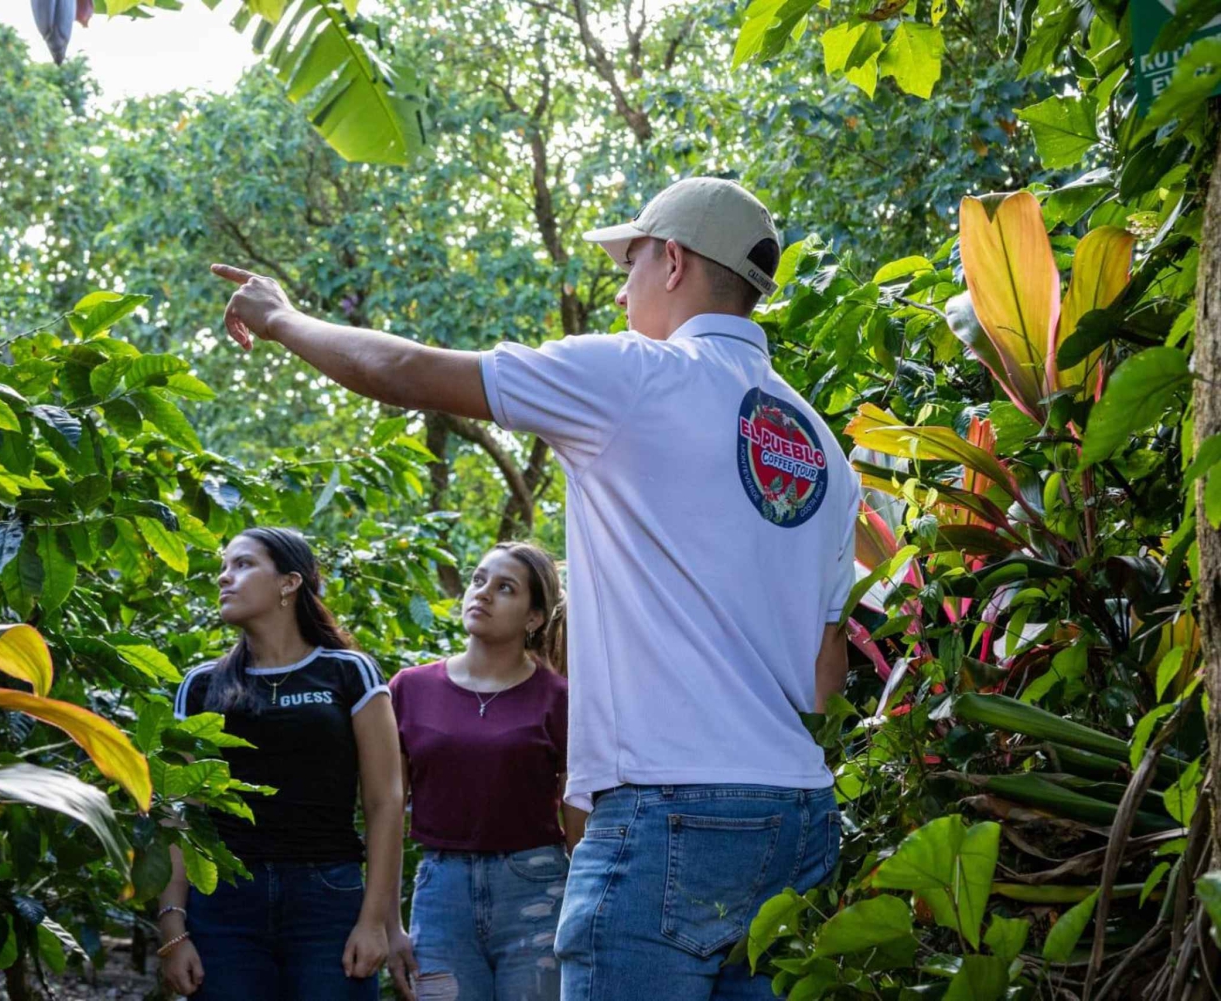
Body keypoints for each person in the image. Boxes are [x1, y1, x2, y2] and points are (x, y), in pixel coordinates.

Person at [211, 176, 859, 1000]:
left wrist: (280, 319)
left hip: (673, 812)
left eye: (627, 265)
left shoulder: (639, 376)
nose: (620, 290)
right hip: (798, 815)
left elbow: (407, 370)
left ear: (671, 260)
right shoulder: (819, 447)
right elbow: (823, 672)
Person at [155, 527, 404, 1001]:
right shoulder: (201, 685)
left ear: (290, 583)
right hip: (224, 904)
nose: (225, 578)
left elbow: (384, 800)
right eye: (223, 567)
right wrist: (173, 928)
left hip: (327, 898)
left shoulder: (349, 672)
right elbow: (174, 811)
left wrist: (375, 922)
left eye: (243, 565)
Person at [388, 542, 581, 1001]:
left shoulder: (560, 698)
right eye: (478, 581)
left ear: (533, 618)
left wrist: (585, 909)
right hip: (441, 893)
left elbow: (577, 815)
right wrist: (386, 920)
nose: (483, 594)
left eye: (505, 588)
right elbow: (386, 810)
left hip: (537, 888)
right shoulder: (409, 689)